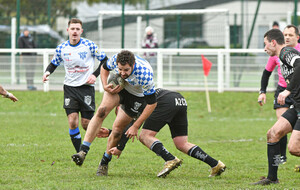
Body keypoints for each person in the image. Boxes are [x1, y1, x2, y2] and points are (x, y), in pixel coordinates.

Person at [100, 88, 226, 178]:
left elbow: (130, 126)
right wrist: (112, 132)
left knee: (145, 136)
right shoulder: (135, 95)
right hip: (179, 99)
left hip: (164, 102)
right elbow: (130, 127)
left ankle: (170, 159)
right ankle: (215, 164)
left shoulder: (129, 104)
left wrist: (120, 147)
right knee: (182, 143)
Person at [71, 50, 157, 177]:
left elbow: (152, 104)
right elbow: (104, 68)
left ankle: (104, 162)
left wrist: (135, 126)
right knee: (101, 111)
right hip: (118, 85)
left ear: (133, 65)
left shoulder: (144, 74)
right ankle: (83, 151)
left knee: (117, 130)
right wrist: (105, 85)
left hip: (136, 97)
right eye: (120, 69)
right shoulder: (115, 59)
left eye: (126, 70)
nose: (122, 73)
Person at [42, 18, 107, 153]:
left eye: (78, 29)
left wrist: (94, 75)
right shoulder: (62, 48)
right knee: (72, 121)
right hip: (70, 88)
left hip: (86, 88)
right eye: (72, 29)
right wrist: (47, 72)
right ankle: (80, 153)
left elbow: (105, 61)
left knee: (86, 124)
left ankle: (112, 132)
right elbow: (54, 63)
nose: (75, 31)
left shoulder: (90, 45)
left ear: (81, 31)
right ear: (68, 30)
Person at [252, 28, 300, 185]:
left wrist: (287, 90)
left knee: (294, 148)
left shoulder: (286, 52)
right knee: (273, 134)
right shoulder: (280, 57)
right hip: (297, 106)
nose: (264, 48)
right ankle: (272, 178)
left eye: (265, 44)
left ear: (273, 43)